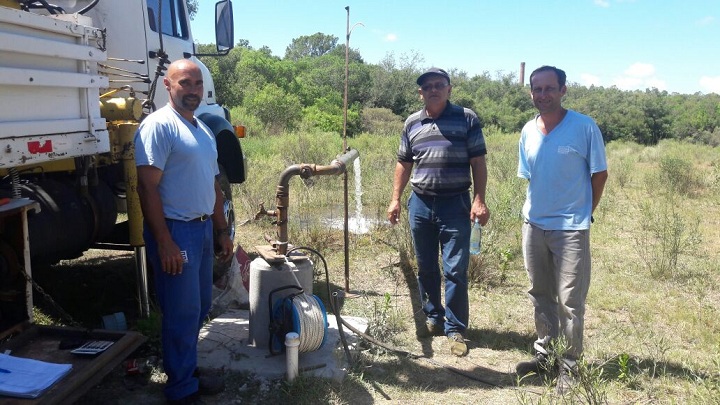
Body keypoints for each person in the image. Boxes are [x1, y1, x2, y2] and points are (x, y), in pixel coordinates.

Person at [135, 59, 234, 404]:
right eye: (184, 83)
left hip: (204, 229)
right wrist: (164, 241)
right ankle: (180, 390)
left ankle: (187, 369)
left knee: (201, 305)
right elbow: (146, 189)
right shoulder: (158, 126)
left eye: (196, 84)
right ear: (168, 85)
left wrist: (222, 230)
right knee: (181, 312)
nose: (192, 91)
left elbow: (214, 183)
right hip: (177, 231)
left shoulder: (202, 130)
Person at [515, 65, 608, 394]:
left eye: (549, 88)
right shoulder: (528, 130)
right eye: (537, 89)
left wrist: (584, 212)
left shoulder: (584, 127)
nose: (543, 94)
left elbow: (599, 174)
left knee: (570, 301)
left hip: (571, 229)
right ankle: (544, 356)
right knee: (540, 294)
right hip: (534, 224)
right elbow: (531, 177)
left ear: (563, 90)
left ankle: (569, 366)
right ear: (531, 93)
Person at [387, 67, 490, 357]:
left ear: (449, 89)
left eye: (438, 84)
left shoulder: (466, 118)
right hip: (420, 203)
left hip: (456, 203)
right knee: (426, 265)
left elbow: (478, 161)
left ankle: (455, 328)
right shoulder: (412, 123)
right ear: (420, 92)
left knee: (455, 268)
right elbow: (404, 163)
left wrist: (479, 199)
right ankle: (433, 316)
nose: (433, 89)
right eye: (427, 86)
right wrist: (395, 198)